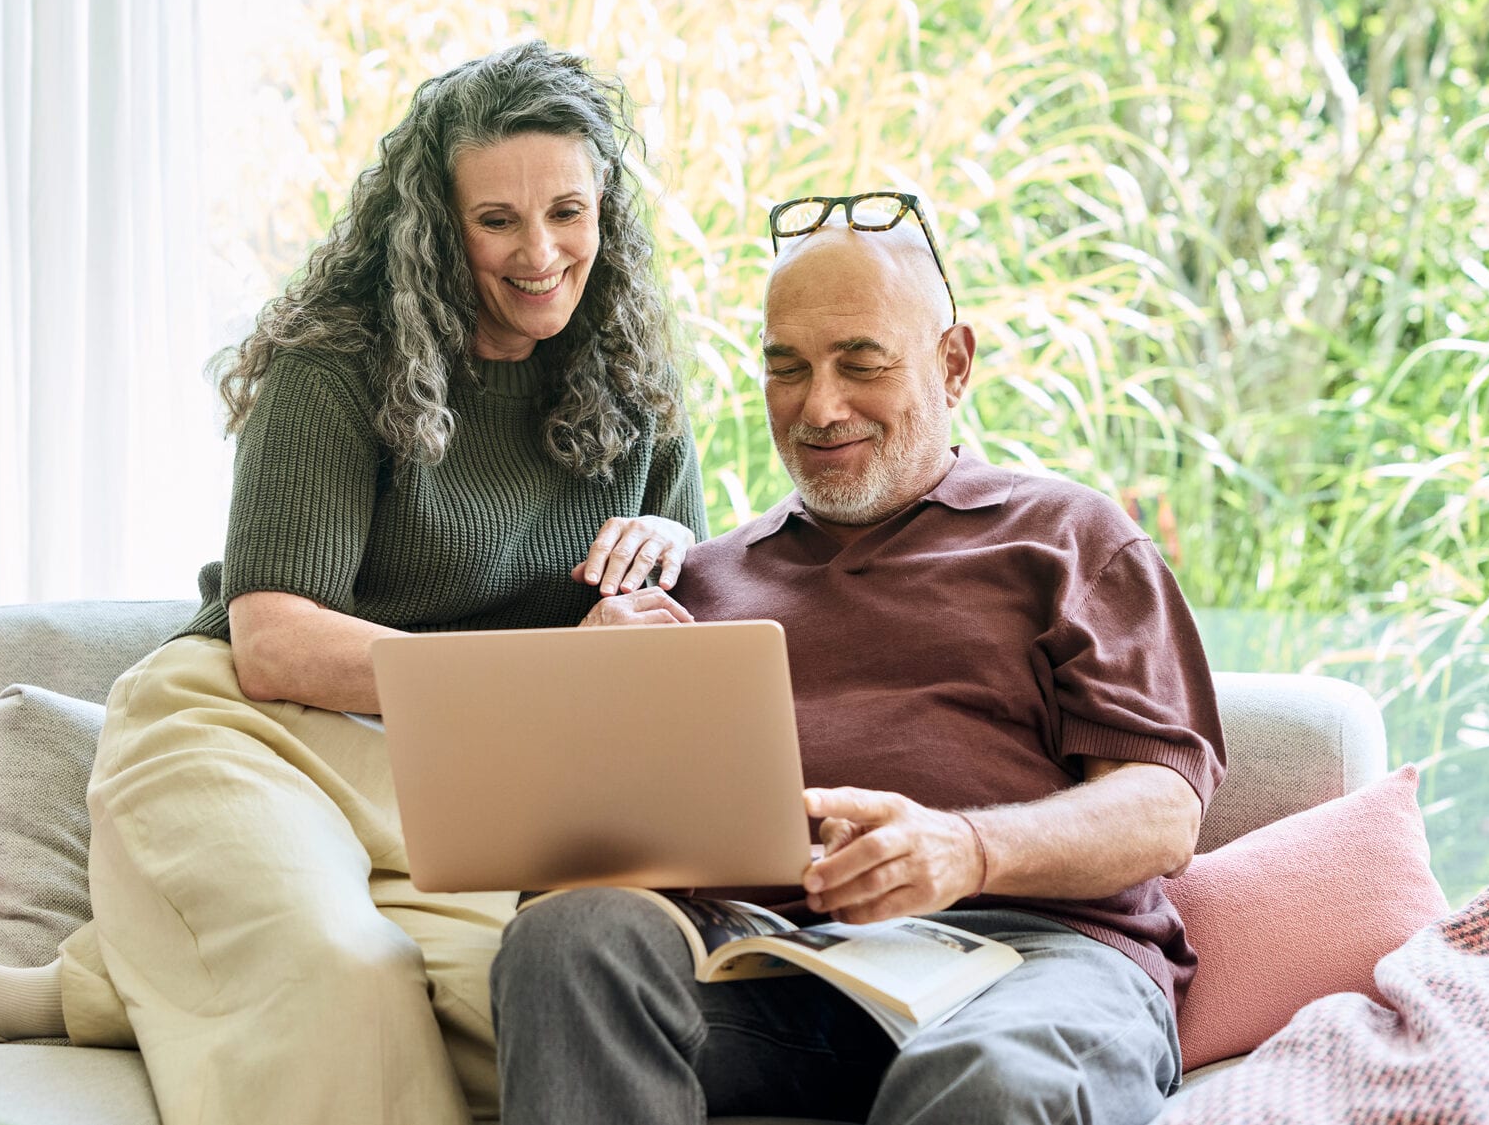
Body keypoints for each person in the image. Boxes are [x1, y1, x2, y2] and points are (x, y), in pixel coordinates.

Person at [0, 41, 708, 1125]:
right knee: (346, 986)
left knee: (538, 1008)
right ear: (436, 226)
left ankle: (89, 985)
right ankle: (145, 968)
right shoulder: (336, 366)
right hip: (247, 730)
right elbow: (276, 643)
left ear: (606, 212)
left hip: (458, 785)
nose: (540, 253)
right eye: (496, 221)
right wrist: (552, 664)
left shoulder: (640, 402)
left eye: (568, 212)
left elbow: (674, 663)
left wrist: (681, 548)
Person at [489, 193, 1226, 1125]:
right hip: (771, 971)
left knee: (987, 1078)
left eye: (861, 363)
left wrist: (966, 848)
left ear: (953, 364)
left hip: (1028, 964)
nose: (820, 406)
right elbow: (555, 881)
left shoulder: (1069, 539)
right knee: (566, 937)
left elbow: (1164, 813)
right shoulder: (695, 586)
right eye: (786, 367)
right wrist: (586, 708)